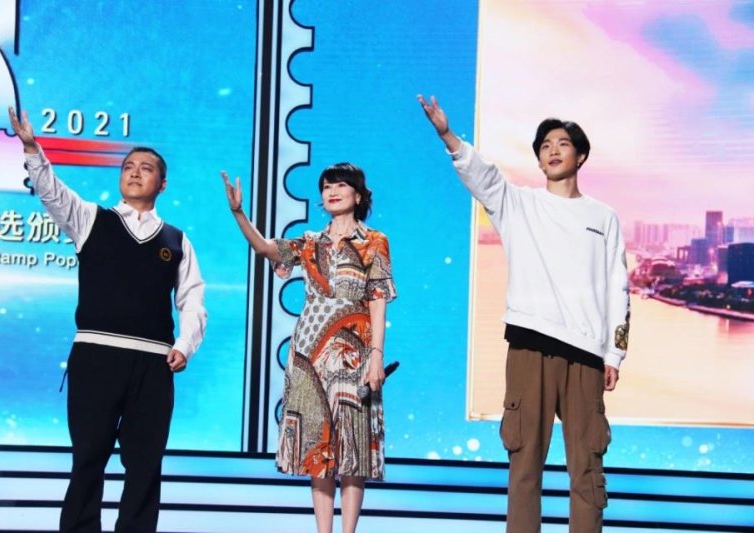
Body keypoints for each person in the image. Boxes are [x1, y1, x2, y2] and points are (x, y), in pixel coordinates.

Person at [418, 95, 630, 533]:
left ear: (580, 156)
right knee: (524, 467)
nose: (553, 150)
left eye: (563, 143)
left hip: (586, 355)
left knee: (587, 469)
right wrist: (447, 134)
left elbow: (618, 287)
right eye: (545, 145)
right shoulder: (519, 205)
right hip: (529, 348)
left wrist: (614, 354)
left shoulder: (603, 217)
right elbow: (482, 176)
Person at [8, 107, 207, 532]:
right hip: (96, 356)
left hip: (153, 362)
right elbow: (52, 192)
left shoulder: (176, 240)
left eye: (146, 168)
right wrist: (32, 148)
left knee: (145, 465)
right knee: (88, 459)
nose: (135, 173)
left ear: (162, 183)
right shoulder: (91, 219)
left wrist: (185, 345)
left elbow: (192, 299)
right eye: (128, 166)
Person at [222, 163, 396, 533]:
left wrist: (376, 355)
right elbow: (266, 248)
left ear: (358, 195)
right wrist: (239, 212)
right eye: (326, 186)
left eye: (341, 185)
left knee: (353, 450)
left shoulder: (374, 241)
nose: (332, 191)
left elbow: (378, 297)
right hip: (309, 355)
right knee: (318, 449)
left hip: (354, 356)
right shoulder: (309, 242)